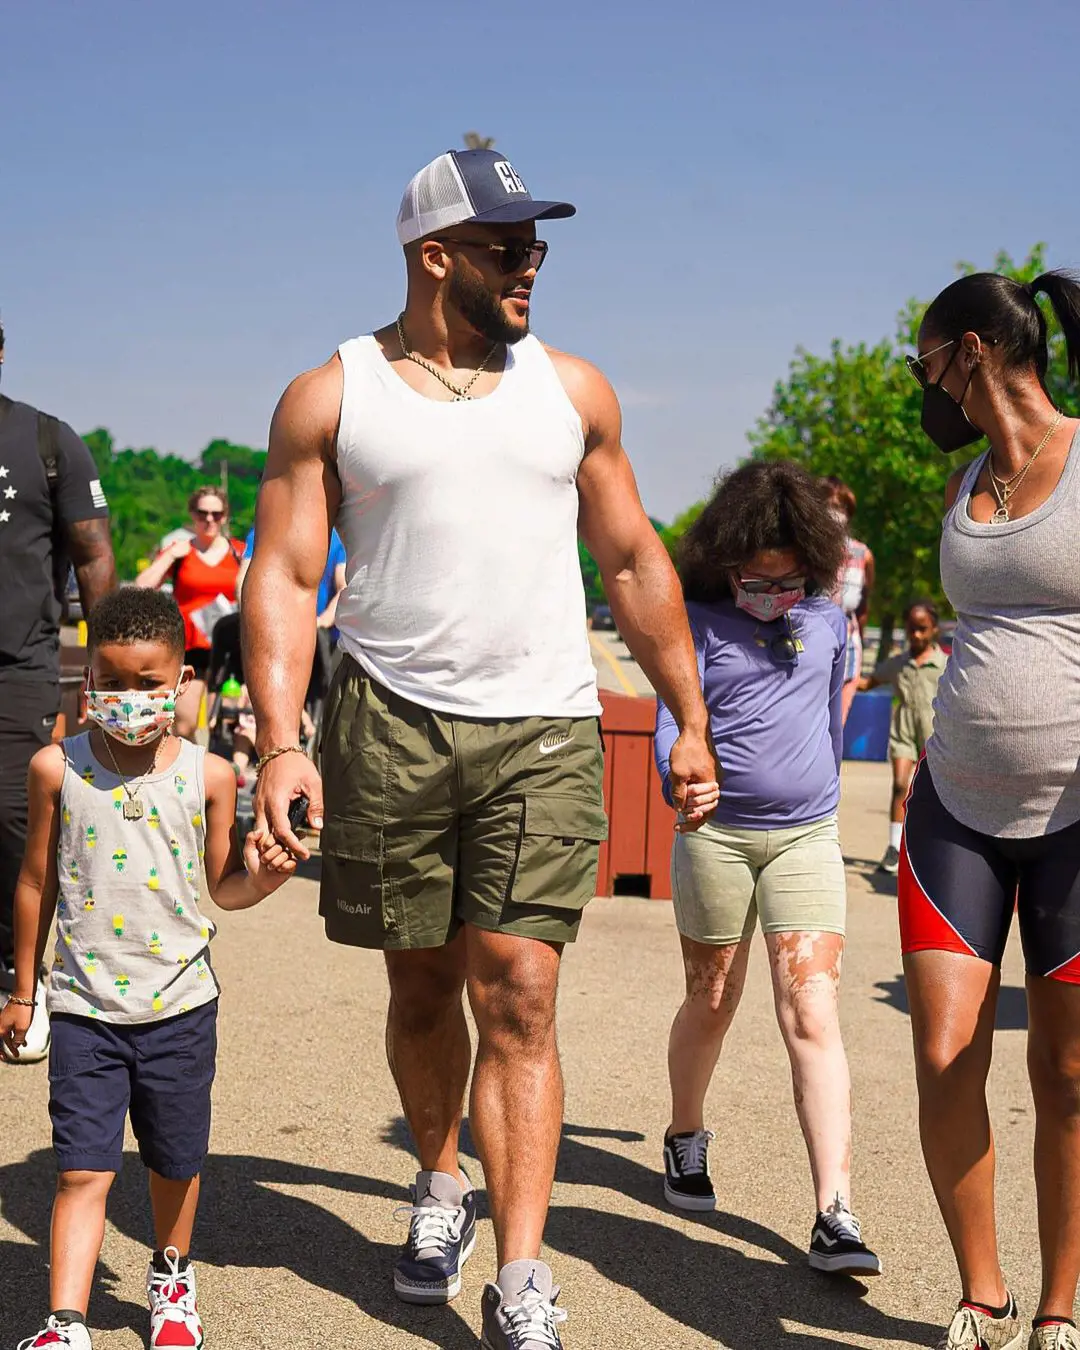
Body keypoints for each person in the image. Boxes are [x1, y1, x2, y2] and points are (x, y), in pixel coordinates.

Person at [242, 146, 717, 1348]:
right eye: (509, 248)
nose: (531, 267)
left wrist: (688, 714)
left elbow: (632, 560)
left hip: (545, 723)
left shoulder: (574, 391)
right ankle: (440, 1182)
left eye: (538, 248)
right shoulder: (331, 394)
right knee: (421, 985)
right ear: (432, 256)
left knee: (522, 991)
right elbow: (288, 579)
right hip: (389, 720)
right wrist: (282, 744)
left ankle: (520, 1272)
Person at [0, 587, 295, 1350]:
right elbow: (36, 882)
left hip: (180, 1005)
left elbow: (223, 883)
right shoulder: (56, 769)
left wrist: (261, 880)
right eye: (112, 681)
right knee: (80, 1171)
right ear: (88, 679)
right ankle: (66, 1320)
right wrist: (23, 992)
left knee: (174, 1160)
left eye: (147, 683)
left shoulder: (210, 776)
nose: (128, 699)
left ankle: (171, 1278)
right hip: (83, 1008)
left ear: (181, 682)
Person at [903, 269, 1080, 1350]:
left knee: (1067, 1069)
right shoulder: (964, 481)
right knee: (942, 1047)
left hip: (1077, 815)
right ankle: (984, 1291)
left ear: (970, 351)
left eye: (925, 361)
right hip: (955, 805)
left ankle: (1062, 1305)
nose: (920, 384)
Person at [655, 460, 881, 1278]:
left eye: (789, 582)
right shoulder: (695, 621)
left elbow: (827, 723)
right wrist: (680, 782)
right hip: (716, 838)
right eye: (758, 580)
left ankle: (834, 1211)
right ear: (727, 557)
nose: (773, 595)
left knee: (812, 1012)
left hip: (806, 839)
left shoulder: (827, 623)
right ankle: (685, 1134)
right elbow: (670, 726)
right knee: (712, 998)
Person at [0, 318, 117, 1066]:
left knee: (18, 829)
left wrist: (105, 675)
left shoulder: (48, 441)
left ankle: (22, 977)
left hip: (19, 670)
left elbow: (94, 556)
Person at [135, 488, 244, 740]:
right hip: (190, 647)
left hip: (230, 649)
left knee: (232, 724)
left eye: (216, 514)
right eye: (202, 513)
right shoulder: (181, 551)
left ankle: (225, 772)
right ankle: (190, 773)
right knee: (184, 725)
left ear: (225, 516)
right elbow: (141, 586)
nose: (209, 520)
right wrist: (170, 555)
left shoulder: (239, 551)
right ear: (192, 515)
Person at [858, 600, 947, 875]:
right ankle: (895, 847)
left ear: (933, 629)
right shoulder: (898, 663)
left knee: (937, 792)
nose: (916, 635)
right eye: (911, 629)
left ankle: (937, 848)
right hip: (904, 732)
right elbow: (868, 682)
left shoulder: (944, 663)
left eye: (922, 629)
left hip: (935, 734)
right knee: (900, 785)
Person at [824, 477, 875, 725]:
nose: (835, 513)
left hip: (849, 644)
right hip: (811, 639)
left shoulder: (862, 554)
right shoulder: (802, 551)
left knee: (837, 723)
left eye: (840, 507)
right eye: (828, 505)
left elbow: (863, 605)